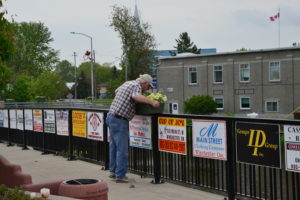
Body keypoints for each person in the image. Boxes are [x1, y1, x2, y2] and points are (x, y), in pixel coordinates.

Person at [106, 74, 160, 183]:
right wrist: (152, 102)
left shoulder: (128, 83)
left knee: (114, 146)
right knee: (122, 149)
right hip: (120, 120)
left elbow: (117, 92)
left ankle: (113, 171)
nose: (147, 89)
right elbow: (135, 96)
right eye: (148, 87)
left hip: (111, 116)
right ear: (144, 83)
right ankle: (120, 175)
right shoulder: (137, 86)